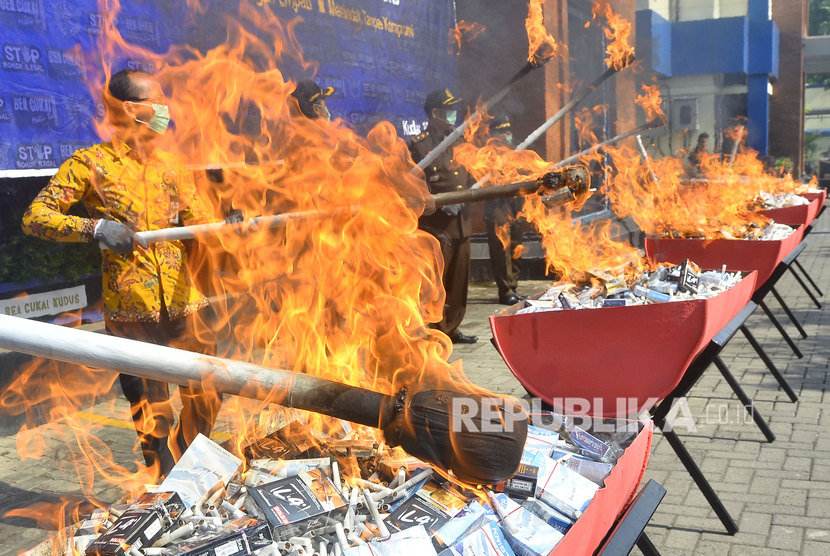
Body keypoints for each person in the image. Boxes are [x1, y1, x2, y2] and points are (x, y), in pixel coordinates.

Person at [21, 68, 223, 476]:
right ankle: (164, 477)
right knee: (151, 408)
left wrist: (226, 227)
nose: (166, 109)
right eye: (158, 101)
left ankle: (192, 460)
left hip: (186, 305)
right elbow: (34, 217)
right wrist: (94, 228)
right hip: (132, 315)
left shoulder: (173, 166)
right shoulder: (91, 164)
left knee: (210, 390)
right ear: (132, 110)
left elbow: (198, 224)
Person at [409, 88, 477, 344]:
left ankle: (453, 327)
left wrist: (467, 197)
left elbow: (469, 176)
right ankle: (436, 330)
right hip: (437, 226)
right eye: (448, 110)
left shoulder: (459, 142)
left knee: (458, 279)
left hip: (461, 222)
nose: (452, 115)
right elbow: (414, 186)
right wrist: (438, 205)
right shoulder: (420, 145)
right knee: (436, 281)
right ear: (435, 112)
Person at [483, 115, 525, 305]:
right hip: (497, 207)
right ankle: (505, 290)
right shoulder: (486, 156)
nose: (508, 135)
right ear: (495, 134)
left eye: (509, 131)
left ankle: (513, 286)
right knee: (502, 250)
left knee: (516, 248)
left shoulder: (515, 152)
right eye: (503, 132)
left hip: (515, 204)